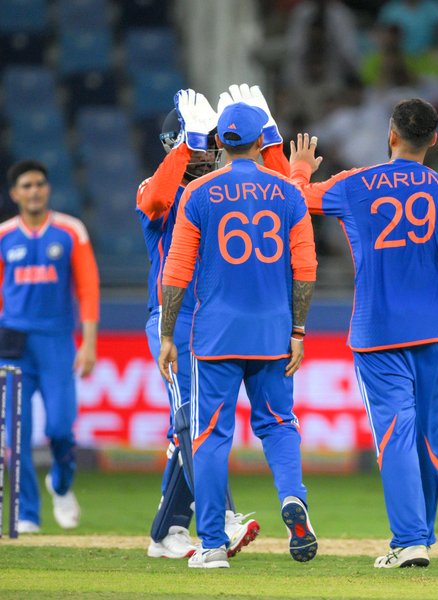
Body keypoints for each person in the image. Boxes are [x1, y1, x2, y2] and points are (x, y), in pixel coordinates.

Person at [289, 98, 438, 569]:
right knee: (426, 439)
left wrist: (299, 170)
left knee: (396, 433)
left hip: (378, 333)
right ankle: (421, 537)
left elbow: (298, 201)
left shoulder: (355, 186)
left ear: (391, 135)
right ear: (433, 139)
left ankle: (409, 539)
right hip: (436, 334)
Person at [158, 98, 318, 569]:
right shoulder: (288, 192)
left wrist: (167, 334)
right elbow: (305, 267)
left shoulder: (199, 193)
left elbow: (177, 270)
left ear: (219, 143)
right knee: (279, 424)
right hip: (272, 331)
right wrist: (299, 330)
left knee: (210, 436)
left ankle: (210, 544)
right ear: (258, 141)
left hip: (215, 334)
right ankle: (292, 498)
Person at [137, 85, 287, 559]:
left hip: (214, 316)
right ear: (179, 146)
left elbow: (291, 199)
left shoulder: (226, 189)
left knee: (195, 422)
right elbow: (156, 200)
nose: (209, 154)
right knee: (191, 420)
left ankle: (170, 530)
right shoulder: (158, 188)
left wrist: (269, 141)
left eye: (212, 144)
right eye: (200, 144)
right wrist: (190, 144)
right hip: (174, 316)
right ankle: (213, 517)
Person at [0, 160, 99, 533]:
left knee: (60, 429)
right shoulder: (4, 235)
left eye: (40, 184)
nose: (34, 191)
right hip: (12, 342)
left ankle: (60, 484)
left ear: (48, 189)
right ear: (15, 194)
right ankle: (27, 514)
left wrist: (88, 344)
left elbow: (88, 289)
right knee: (17, 434)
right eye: (26, 186)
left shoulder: (70, 231)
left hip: (57, 341)